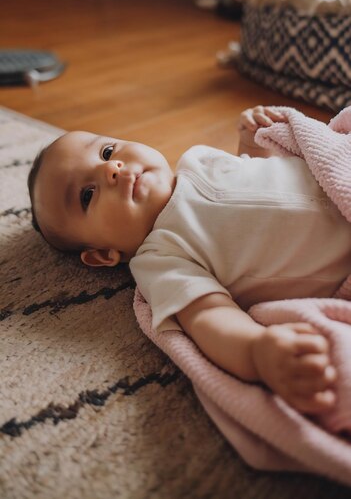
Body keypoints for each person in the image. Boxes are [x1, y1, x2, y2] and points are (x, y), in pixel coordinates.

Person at [28, 105, 351, 415]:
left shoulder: (198, 159)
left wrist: (252, 141)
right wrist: (257, 350)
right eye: (87, 194)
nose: (111, 169)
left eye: (107, 152)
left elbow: (253, 172)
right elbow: (209, 317)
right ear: (102, 254)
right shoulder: (162, 257)